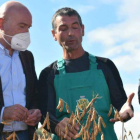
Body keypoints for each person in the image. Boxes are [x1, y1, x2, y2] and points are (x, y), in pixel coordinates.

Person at [38, 7, 134, 140]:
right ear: (54, 34)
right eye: (63, 28)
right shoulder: (49, 74)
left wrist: (125, 112)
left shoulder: (105, 66)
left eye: (75, 27)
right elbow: (45, 115)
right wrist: (56, 126)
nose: (70, 33)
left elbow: (121, 104)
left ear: (82, 30)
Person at [0, 1, 41, 140]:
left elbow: (33, 94)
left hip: (24, 135)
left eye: (29, 27)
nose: (26, 33)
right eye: (22, 26)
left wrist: (35, 112)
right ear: (1, 23)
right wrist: (2, 113)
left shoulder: (27, 57)